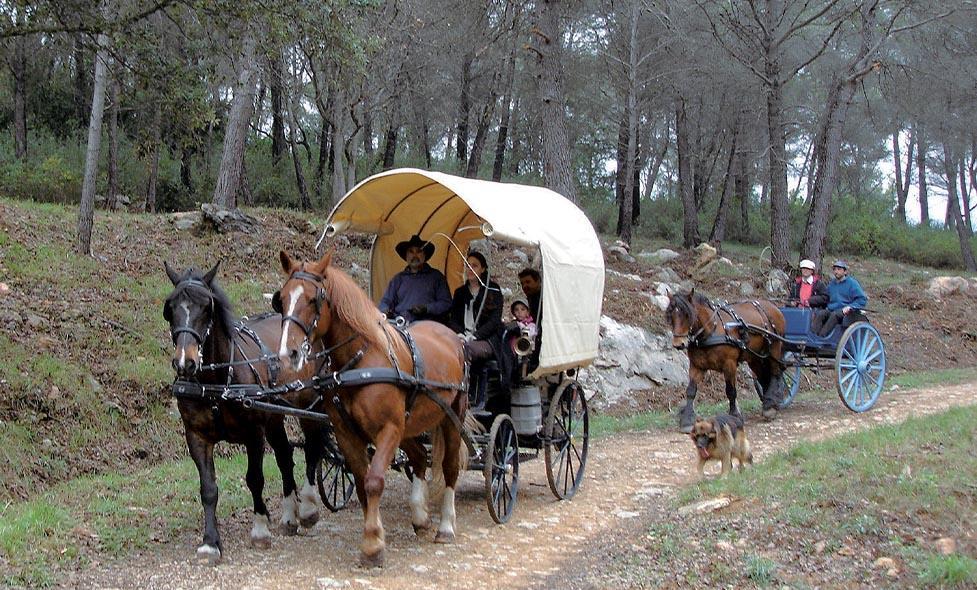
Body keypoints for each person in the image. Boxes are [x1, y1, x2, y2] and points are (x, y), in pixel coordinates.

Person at [449, 251, 507, 409]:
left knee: (466, 350)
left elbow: (494, 321)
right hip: (463, 336)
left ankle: (468, 394)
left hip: (487, 339)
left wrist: (475, 336)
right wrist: (460, 333)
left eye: (474, 266)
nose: (470, 269)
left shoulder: (493, 290)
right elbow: (454, 319)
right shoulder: (460, 292)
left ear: (483, 269)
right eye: (467, 265)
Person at [378, 234, 452, 324]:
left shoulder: (436, 277)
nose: (415, 256)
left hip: (427, 325)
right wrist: (385, 310)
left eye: (419, 251)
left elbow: (446, 303)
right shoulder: (398, 279)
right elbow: (386, 301)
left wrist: (427, 308)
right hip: (401, 323)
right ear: (406, 256)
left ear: (424, 255)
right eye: (411, 252)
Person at [817, 259, 868, 337]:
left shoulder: (852, 283)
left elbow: (862, 299)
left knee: (835, 315)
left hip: (846, 312)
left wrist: (850, 306)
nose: (836, 271)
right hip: (831, 309)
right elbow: (826, 298)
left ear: (845, 272)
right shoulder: (832, 284)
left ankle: (822, 336)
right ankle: (813, 336)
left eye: (839, 269)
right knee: (821, 313)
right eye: (834, 269)